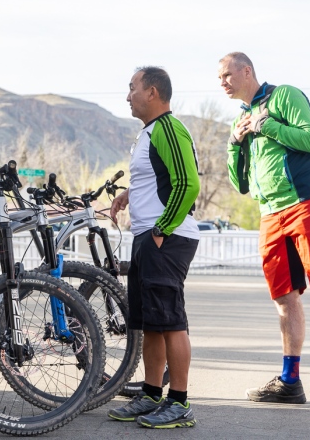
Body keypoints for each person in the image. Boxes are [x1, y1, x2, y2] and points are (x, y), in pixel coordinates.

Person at [218, 51, 310, 404]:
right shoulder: (242, 118)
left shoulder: (285, 96)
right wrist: (235, 145)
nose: (222, 82)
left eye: (226, 75)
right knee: (284, 298)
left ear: (246, 71)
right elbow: (240, 185)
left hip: (307, 203)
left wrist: (267, 125)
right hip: (270, 214)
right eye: (219, 78)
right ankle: (289, 382)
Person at [107, 66, 201, 429]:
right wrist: (129, 194)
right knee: (151, 324)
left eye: (132, 88)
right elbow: (161, 178)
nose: (127, 95)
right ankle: (150, 394)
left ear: (153, 92)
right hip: (148, 235)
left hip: (168, 236)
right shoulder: (149, 133)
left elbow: (187, 184)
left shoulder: (168, 128)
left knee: (171, 322)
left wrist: (162, 228)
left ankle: (179, 402)